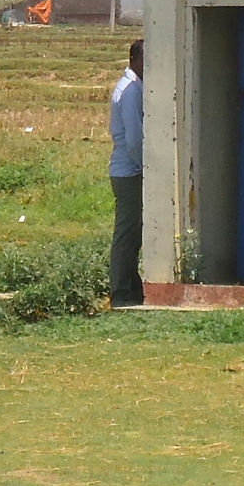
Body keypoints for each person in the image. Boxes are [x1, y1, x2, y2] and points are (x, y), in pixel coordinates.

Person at [108, 38, 144, 308]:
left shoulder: (130, 86)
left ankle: (132, 288)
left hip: (126, 169)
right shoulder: (132, 90)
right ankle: (121, 293)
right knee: (127, 234)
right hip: (129, 171)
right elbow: (133, 139)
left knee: (133, 234)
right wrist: (146, 166)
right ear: (135, 60)